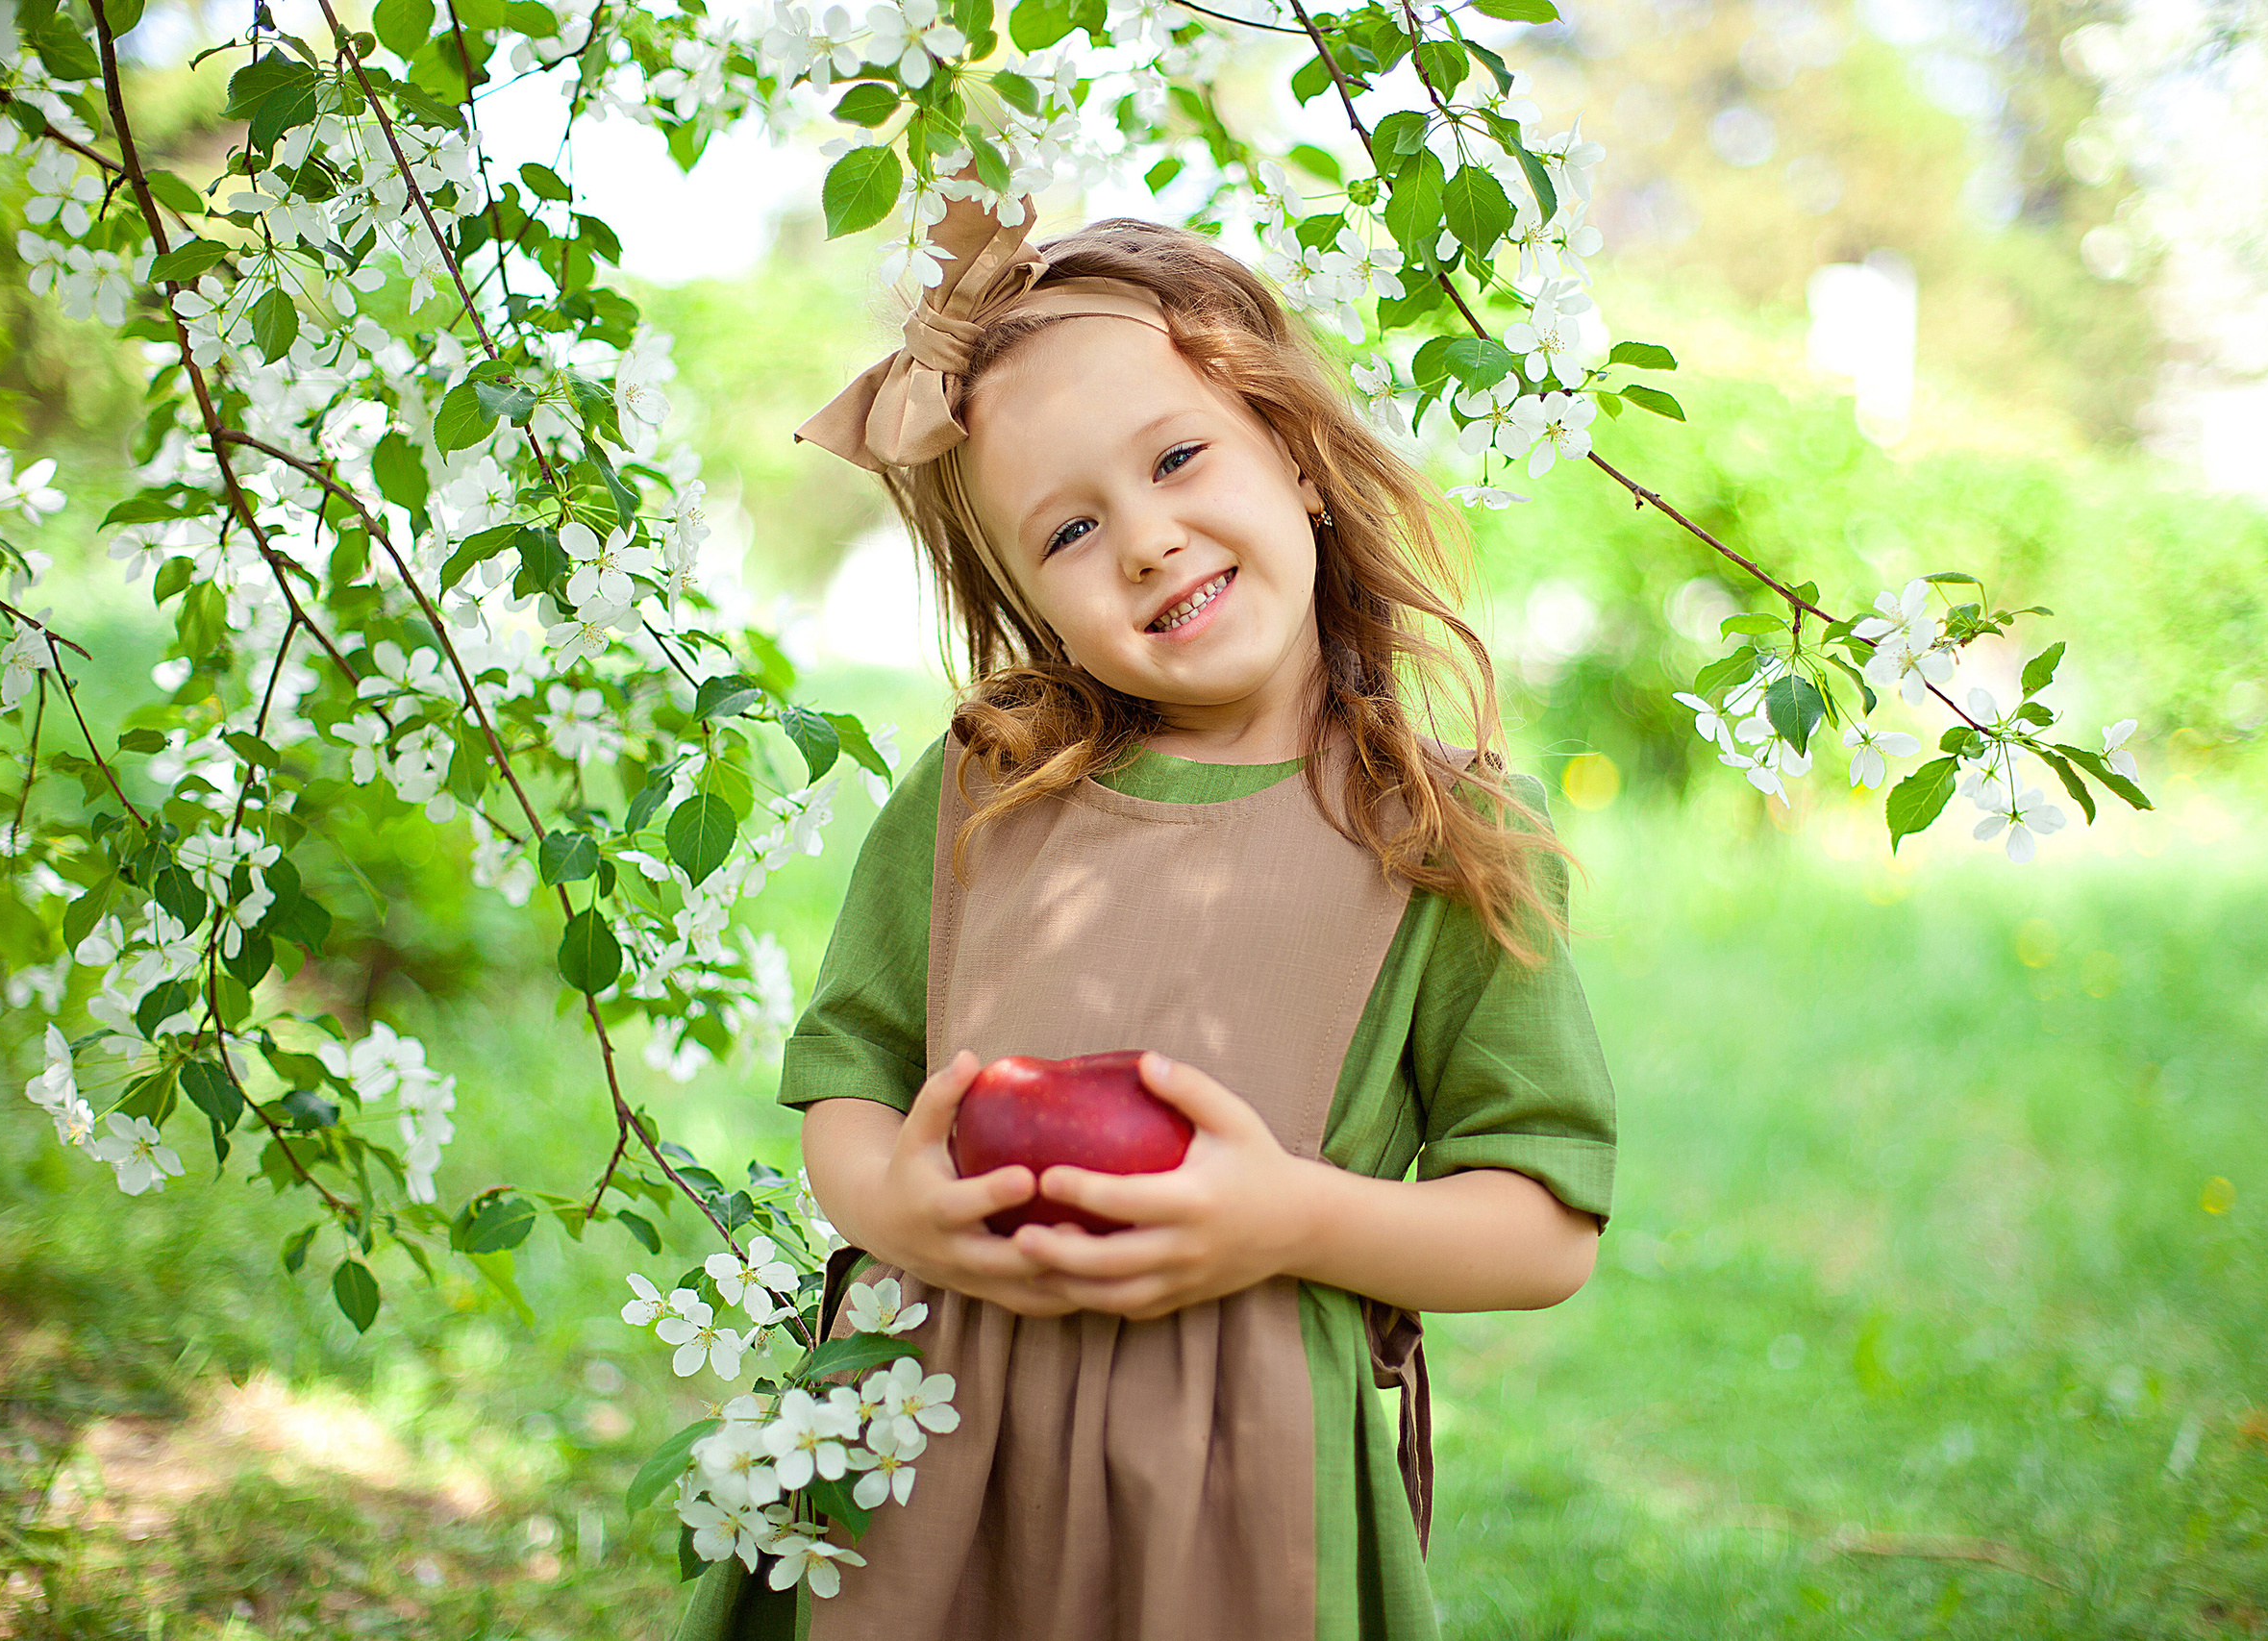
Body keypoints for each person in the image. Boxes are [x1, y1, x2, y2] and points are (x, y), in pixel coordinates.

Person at [672, 186, 1618, 1641]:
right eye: (1067, 531)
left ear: (1296, 457)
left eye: (1180, 458)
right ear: (1031, 601)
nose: (1148, 540)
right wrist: (895, 1204)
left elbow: (1541, 1227)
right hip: (933, 1447)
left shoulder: (1447, 842)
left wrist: (1285, 1216)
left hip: (1233, 1490)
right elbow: (849, 1083)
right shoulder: (983, 791)